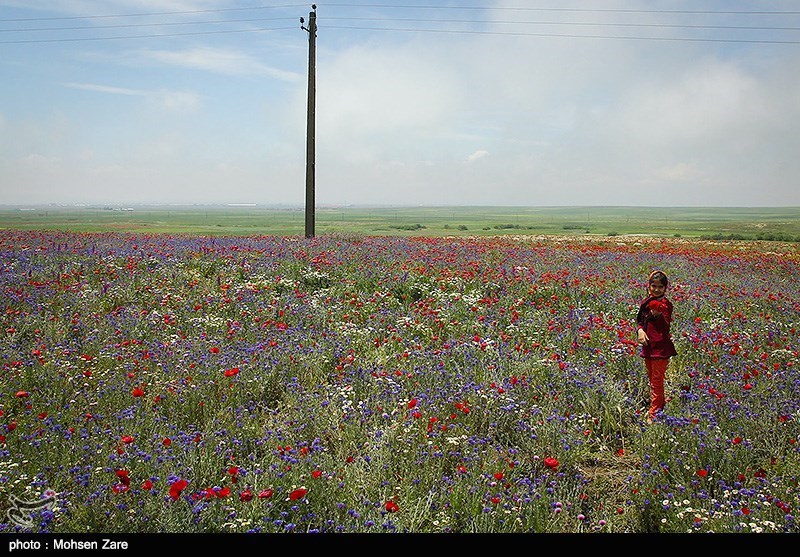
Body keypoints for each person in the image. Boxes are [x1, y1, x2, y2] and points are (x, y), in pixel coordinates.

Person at [636, 270, 677, 423]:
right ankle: (659, 404)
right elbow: (640, 320)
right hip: (648, 347)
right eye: (654, 286)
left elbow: (665, 327)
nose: (656, 289)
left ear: (665, 288)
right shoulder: (646, 302)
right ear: (649, 286)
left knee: (657, 380)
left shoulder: (666, 305)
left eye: (660, 287)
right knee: (652, 379)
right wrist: (640, 330)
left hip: (660, 349)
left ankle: (655, 413)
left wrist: (658, 315)